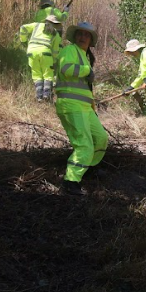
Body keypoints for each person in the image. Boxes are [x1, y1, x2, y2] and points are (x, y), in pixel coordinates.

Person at [54, 21, 108, 196]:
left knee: (100, 139)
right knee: (84, 145)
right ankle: (71, 181)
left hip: (85, 107)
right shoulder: (69, 51)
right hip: (71, 106)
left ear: (91, 40)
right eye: (80, 34)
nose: (83, 37)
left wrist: (92, 105)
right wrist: (87, 70)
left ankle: (88, 167)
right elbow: (66, 68)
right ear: (75, 36)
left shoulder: (84, 55)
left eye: (86, 35)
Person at [17, 14, 63, 101]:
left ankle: (39, 96)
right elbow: (55, 52)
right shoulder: (56, 34)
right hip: (45, 52)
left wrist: (23, 40)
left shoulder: (36, 25)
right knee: (48, 75)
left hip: (31, 51)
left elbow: (23, 27)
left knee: (36, 74)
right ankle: (46, 95)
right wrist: (54, 62)